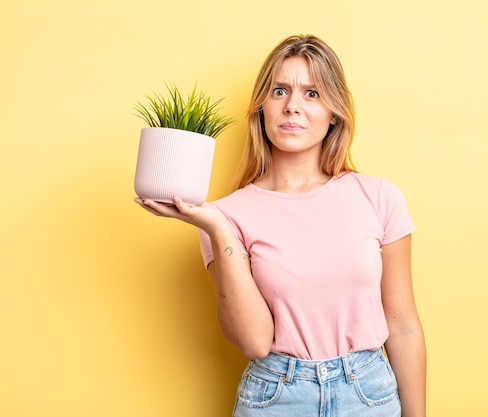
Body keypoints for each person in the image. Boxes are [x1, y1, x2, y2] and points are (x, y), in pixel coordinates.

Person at [135, 34, 426, 417]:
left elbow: (402, 325)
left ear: (334, 111)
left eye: (312, 93)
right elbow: (255, 342)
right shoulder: (225, 216)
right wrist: (218, 229)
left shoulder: (379, 197)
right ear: (261, 108)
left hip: (369, 393)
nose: (292, 106)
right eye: (279, 91)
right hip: (277, 398)